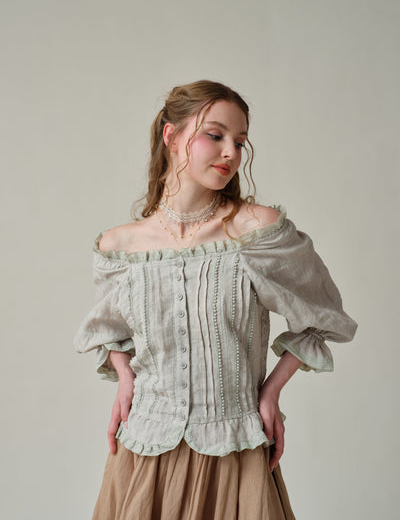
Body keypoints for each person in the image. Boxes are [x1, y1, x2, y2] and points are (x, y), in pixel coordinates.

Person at [73, 79, 358, 520]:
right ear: (171, 136)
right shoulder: (120, 247)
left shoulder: (256, 233)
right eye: (215, 135)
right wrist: (125, 376)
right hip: (143, 454)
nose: (231, 153)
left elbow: (323, 316)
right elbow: (109, 330)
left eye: (240, 142)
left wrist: (270, 393)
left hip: (235, 454)